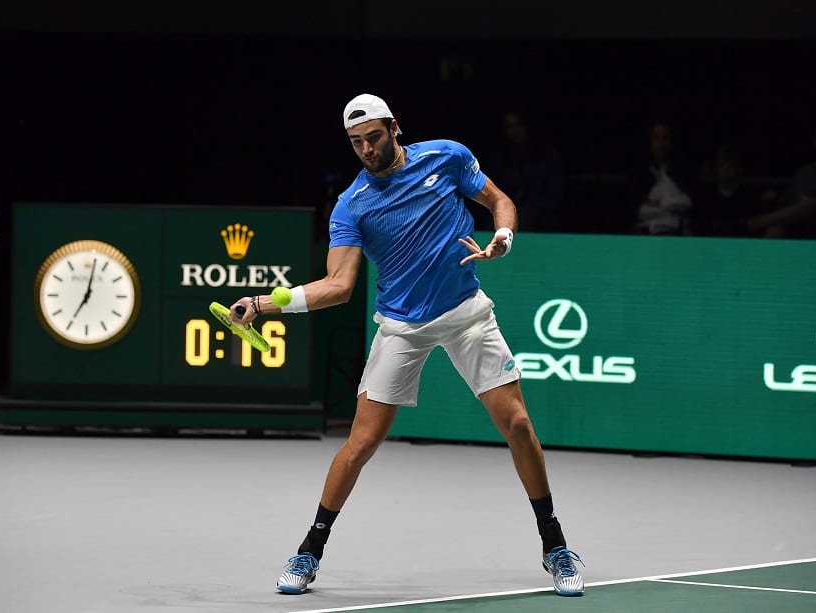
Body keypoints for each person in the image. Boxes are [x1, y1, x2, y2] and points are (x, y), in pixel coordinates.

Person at [230, 94, 584, 597]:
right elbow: (338, 285)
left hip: (466, 315)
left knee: (519, 424)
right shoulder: (353, 204)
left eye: (373, 137)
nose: (366, 150)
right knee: (361, 444)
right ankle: (309, 549)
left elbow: (499, 201)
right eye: (356, 143)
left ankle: (555, 546)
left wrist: (503, 236)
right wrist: (266, 304)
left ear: (395, 128)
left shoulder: (447, 156)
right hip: (401, 327)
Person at [480, 110, 565, 233]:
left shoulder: (547, 155)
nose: (515, 131)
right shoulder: (499, 157)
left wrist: (530, 208)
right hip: (505, 212)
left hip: (540, 215)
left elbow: (554, 191)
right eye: (510, 127)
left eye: (518, 125)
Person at [629, 122, 695, 235]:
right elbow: (639, 211)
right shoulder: (641, 175)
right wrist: (672, 209)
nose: (661, 143)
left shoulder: (682, 172)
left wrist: (659, 203)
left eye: (665, 138)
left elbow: (687, 203)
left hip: (675, 234)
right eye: (657, 138)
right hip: (644, 234)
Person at [691, 147, 763, 237]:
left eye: (730, 166)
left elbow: (750, 226)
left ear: (739, 169)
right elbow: (699, 224)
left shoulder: (748, 196)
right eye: (722, 166)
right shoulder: (707, 195)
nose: (725, 171)